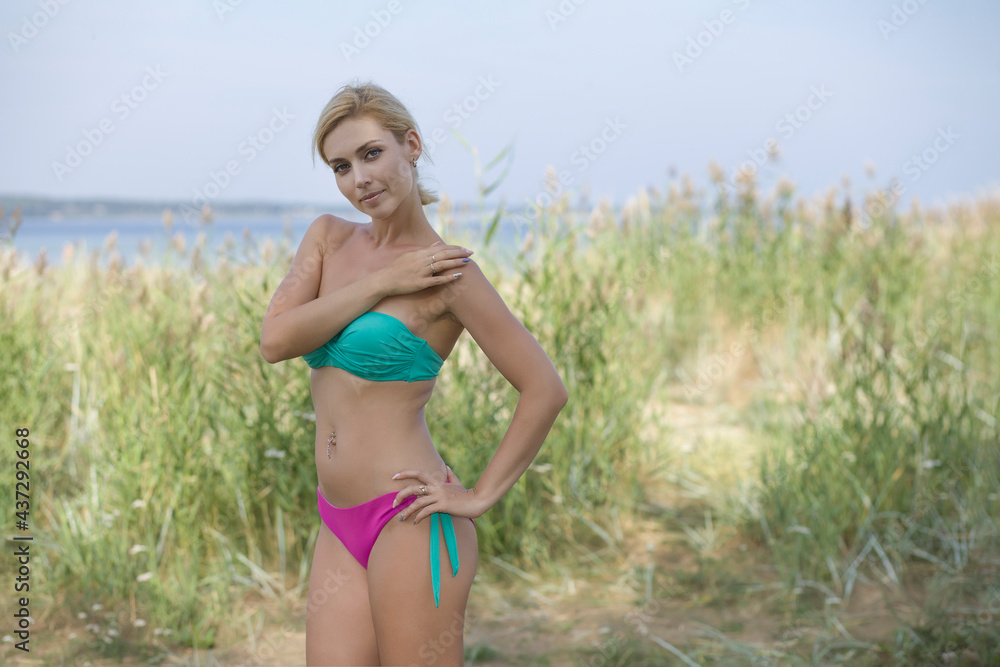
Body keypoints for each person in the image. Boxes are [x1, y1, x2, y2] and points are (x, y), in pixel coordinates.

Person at [259, 81, 568, 666]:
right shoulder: (326, 238)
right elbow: (276, 340)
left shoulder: (448, 274)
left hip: (409, 519)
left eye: (372, 154)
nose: (359, 179)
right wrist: (383, 282)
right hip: (337, 518)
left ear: (412, 145)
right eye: (341, 166)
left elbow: (544, 389)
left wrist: (478, 496)